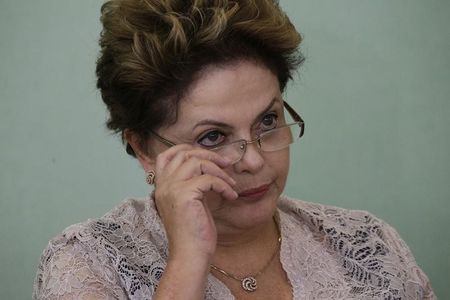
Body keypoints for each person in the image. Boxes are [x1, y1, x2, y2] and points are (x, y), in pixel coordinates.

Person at [33, 0, 435, 299]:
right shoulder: (87, 261)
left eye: (267, 121)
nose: (255, 160)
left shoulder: (368, 243)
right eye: (212, 137)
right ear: (143, 149)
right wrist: (187, 262)